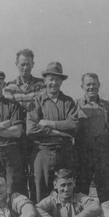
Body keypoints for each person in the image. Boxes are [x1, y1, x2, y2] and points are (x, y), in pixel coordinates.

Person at [27, 62, 78, 203]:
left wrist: (48, 123)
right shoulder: (37, 101)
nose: (54, 83)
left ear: (61, 82)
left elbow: (73, 124)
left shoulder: (68, 102)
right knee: (40, 191)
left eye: (57, 79)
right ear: (45, 80)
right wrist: (59, 132)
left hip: (64, 152)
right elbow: (31, 129)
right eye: (51, 79)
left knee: (65, 190)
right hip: (43, 152)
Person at [4, 49, 45, 199]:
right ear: (16, 64)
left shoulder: (41, 86)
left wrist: (21, 106)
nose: (25, 67)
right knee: (19, 176)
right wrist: (30, 108)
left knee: (36, 176)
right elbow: (11, 111)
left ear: (33, 64)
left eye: (28, 64)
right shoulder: (9, 87)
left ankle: (37, 211)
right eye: (22, 64)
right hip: (18, 139)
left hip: (36, 137)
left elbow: (42, 110)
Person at [75, 73, 109, 202]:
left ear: (99, 85)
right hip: (82, 158)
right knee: (80, 194)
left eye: (94, 84)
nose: (91, 87)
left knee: (106, 194)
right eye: (88, 84)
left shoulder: (108, 107)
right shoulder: (75, 106)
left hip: (104, 157)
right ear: (82, 86)